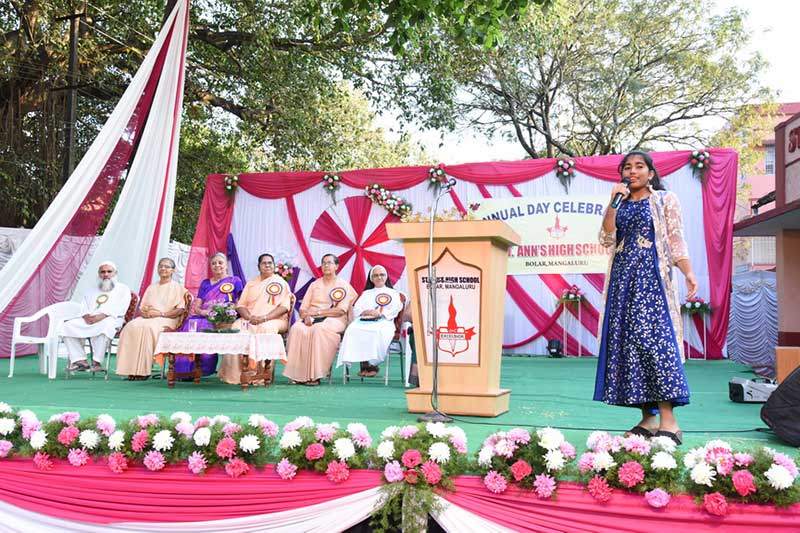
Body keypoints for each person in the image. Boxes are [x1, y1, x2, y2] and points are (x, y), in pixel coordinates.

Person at [593, 150, 698, 446]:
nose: (632, 171)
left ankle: (669, 421)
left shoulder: (664, 199)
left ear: (650, 173)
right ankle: (648, 419)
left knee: (655, 344)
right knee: (631, 346)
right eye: (627, 167)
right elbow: (606, 238)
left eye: (639, 166)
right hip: (623, 283)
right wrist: (613, 203)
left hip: (651, 281)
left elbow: (675, 239)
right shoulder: (619, 202)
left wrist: (688, 273)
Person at [218, 253, 292, 384]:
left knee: (265, 328)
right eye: (264, 263)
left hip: (275, 320)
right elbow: (241, 305)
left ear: (274, 266)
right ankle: (235, 374)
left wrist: (265, 318)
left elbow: (284, 307)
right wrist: (249, 317)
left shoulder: (281, 283)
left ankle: (260, 374)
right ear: (259, 266)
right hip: (251, 319)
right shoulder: (251, 283)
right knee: (236, 327)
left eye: (270, 263)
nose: (267, 265)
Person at [283, 253, 356, 386]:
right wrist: (306, 317)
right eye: (323, 263)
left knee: (319, 329)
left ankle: (315, 375)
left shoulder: (343, 285)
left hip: (335, 319)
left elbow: (340, 310)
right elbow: (303, 309)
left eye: (329, 263)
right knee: (297, 328)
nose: (326, 265)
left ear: (337, 266)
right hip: (311, 318)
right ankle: (297, 374)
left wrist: (318, 313)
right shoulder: (314, 285)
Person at [115, 258, 186, 380]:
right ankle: (130, 370)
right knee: (130, 327)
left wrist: (161, 314)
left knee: (148, 328)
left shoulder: (179, 288)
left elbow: (180, 310)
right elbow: (142, 308)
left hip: (167, 318)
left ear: (173, 270)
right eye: (160, 266)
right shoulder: (151, 287)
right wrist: (145, 313)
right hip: (149, 318)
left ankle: (144, 371)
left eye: (167, 266)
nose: (163, 268)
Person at [175, 252, 244, 376]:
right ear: (210, 266)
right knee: (190, 324)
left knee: (204, 325)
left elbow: (239, 303)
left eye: (220, 262)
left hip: (223, 318)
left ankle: (204, 368)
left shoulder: (235, 281)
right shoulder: (205, 283)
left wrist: (222, 311)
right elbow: (197, 307)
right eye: (213, 263)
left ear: (226, 265)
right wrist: (204, 312)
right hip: (205, 315)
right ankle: (185, 370)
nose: (217, 265)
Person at [60, 261, 132, 372]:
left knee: (105, 326)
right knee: (67, 326)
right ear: (99, 274)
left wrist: (103, 315)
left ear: (115, 273)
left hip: (111, 318)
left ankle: (96, 362)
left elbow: (122, 308)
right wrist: (86, 316)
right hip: (90, 319)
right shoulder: (91, 289)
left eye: (109, 271)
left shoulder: (123, 289)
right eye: (103, 272)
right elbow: (84, 305)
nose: (106, 274)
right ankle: (80, 360)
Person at [337, 265, 404, 377]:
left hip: (384, 322)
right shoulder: (366, 293)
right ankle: (364, 365)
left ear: (386, 277)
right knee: (352, 330)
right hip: (364, 321)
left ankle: (372, 365)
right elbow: (357, 308)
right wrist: (366, 311)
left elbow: (396, 308)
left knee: (376, 332)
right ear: (371, 278)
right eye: (376, 275)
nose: (379, 277)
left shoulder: (394, 293)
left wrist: (380, 313)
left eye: (382, 275)